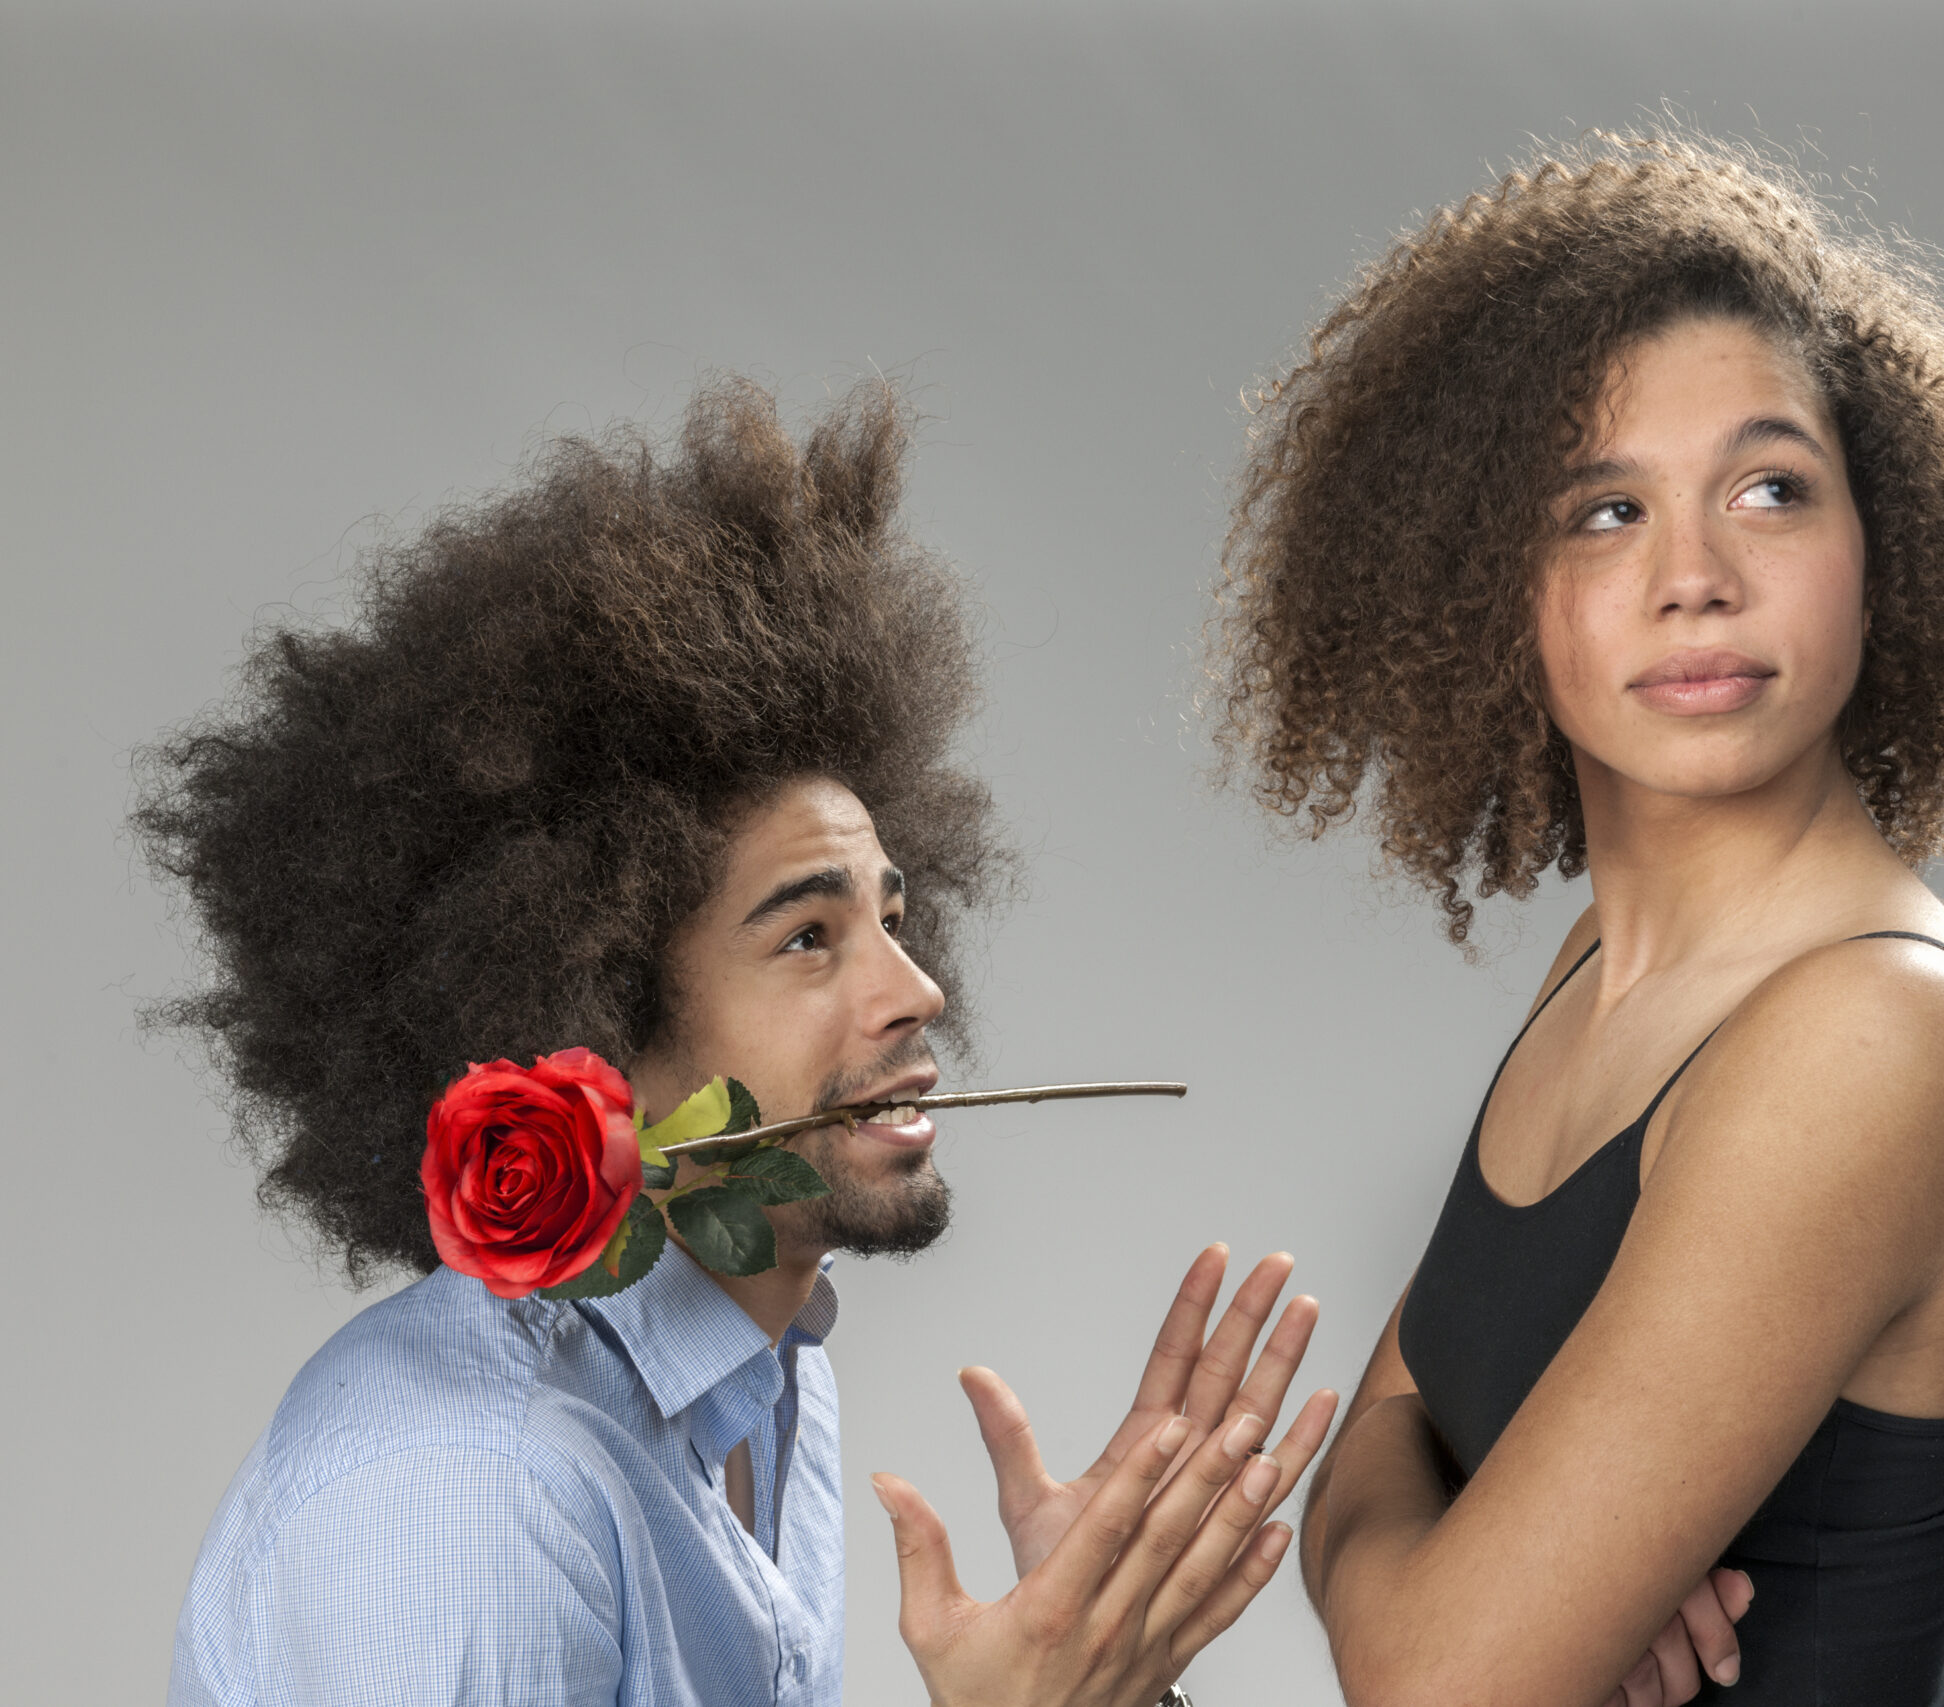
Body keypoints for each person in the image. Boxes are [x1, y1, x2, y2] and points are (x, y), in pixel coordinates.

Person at [142, 378, 1339, 1707]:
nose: (919, 989)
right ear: (586, 1019)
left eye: (893, 914)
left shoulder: (764, 1380)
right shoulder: (479, 1493)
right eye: (808, 939)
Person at [1213, 134, 1944, 1706]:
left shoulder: (1876, 1032)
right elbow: (1362, 1468)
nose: (1697, 575)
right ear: (1491, 593)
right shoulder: (1604, 966)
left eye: (1770, 490)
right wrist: (1502, 1560)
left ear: (1881, 550)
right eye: (1605, 510)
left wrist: (1473, 1561)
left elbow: (1426, 1677)